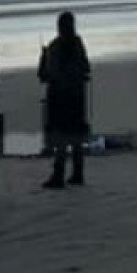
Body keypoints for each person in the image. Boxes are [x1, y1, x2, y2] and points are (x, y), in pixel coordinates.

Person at [38, 11, 92, 189]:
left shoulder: (55, 46)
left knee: (60, 135)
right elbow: (86, 68)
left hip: (59, 96)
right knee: (76, 134)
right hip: (77, 96)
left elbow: (45, 74)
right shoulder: (78, 44)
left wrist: (42, 58)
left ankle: (58, 175)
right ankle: (78, 173)